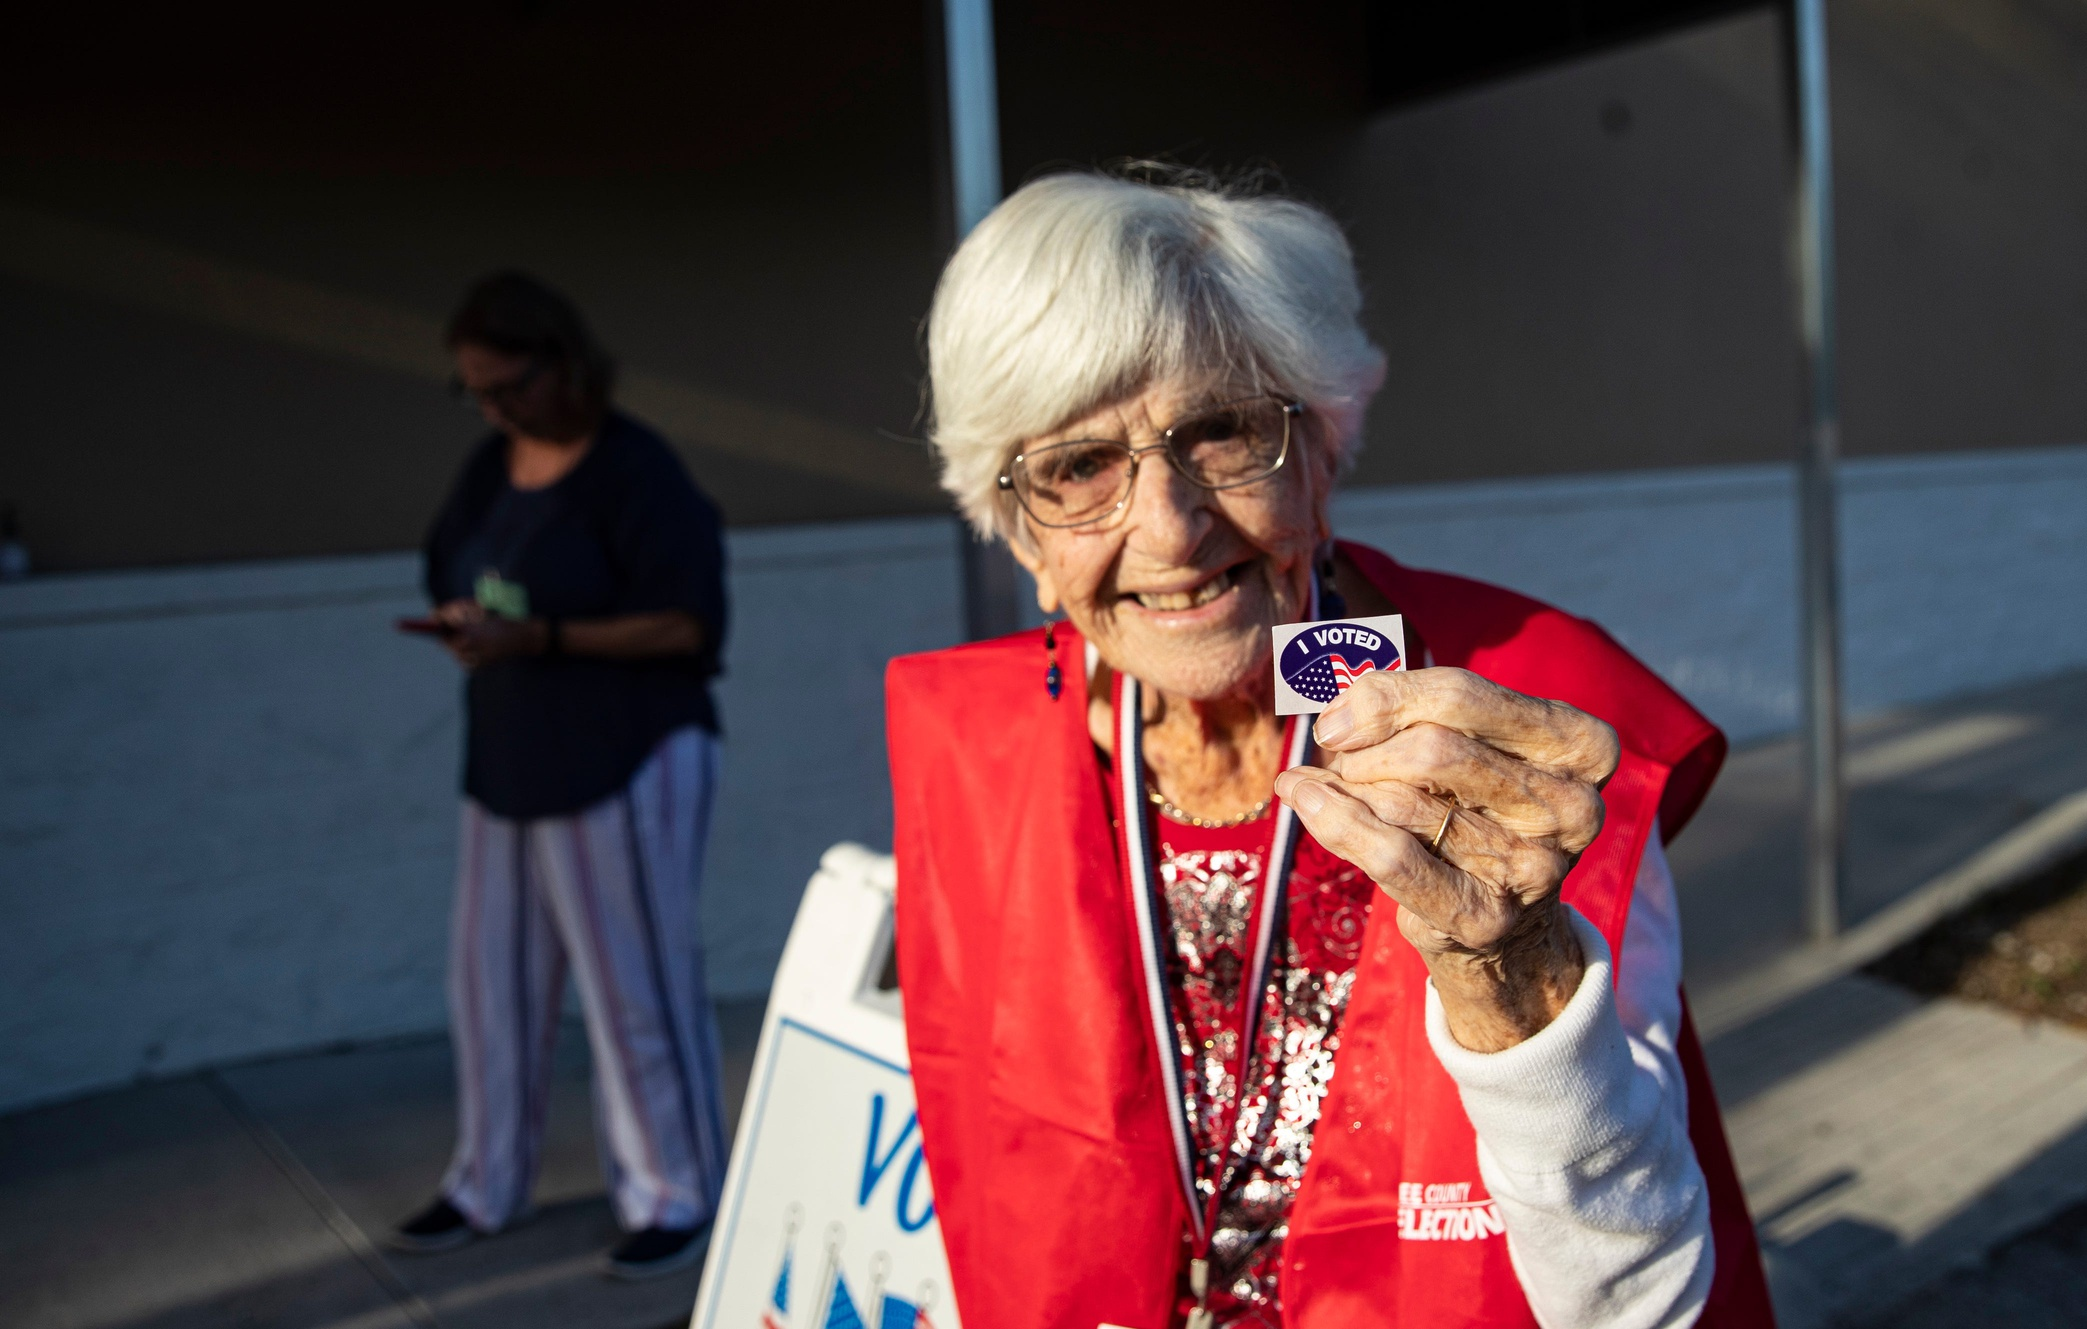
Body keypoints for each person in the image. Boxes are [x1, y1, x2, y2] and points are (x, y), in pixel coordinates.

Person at [886, 170, 1776, 1328]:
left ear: (1323, 439)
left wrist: (1509, 982)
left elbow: (1634, 1295)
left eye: (1220, 431)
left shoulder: (1522, 717)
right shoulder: (979, 743)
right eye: (1076, 467)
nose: (1167, 526)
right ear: (1013, 523)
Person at [389, 272, 730, 1280]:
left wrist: (538, 634)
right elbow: (449, 567)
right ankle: (485, 1181)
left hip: (627, 757)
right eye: (477, 391)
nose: (495, 407)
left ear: (563, 363)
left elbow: (687, 623)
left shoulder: (638, 473)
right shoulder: (489, 469)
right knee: (488, 984)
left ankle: (679, 1190)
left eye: (509, 385)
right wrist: (468, 623)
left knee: (637, 986)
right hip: (507, 762)